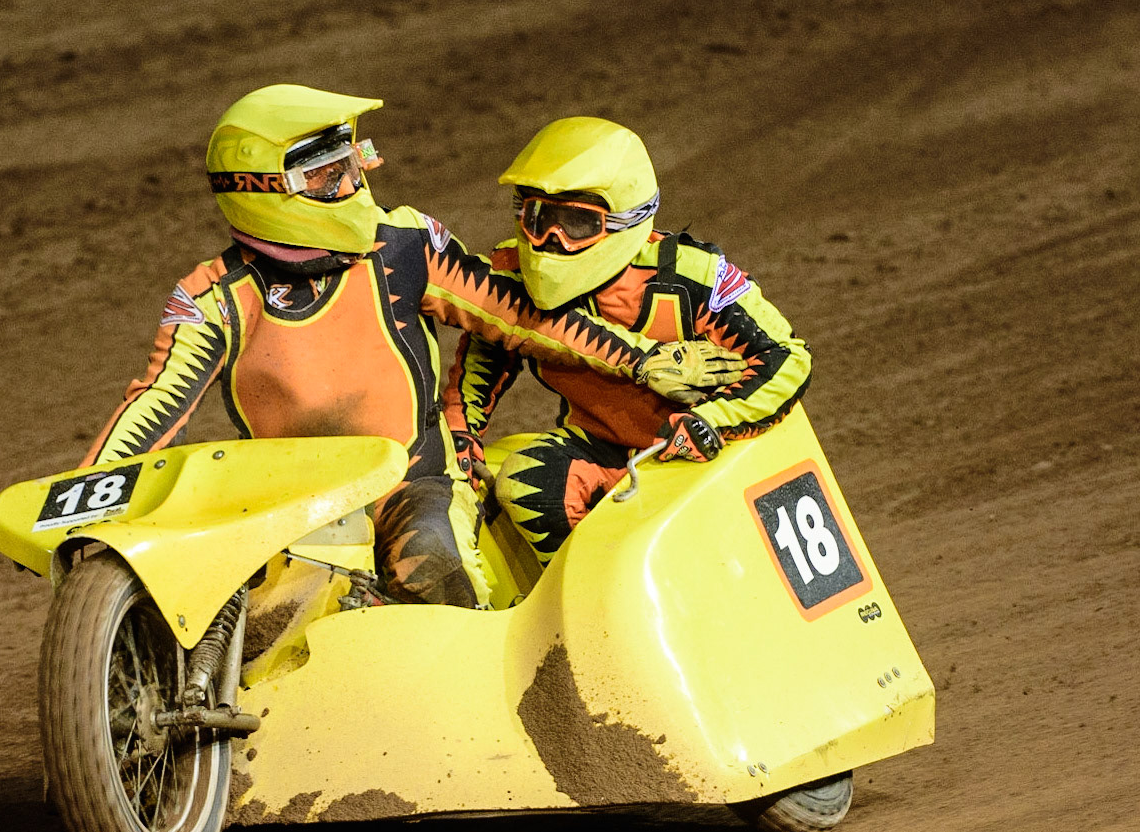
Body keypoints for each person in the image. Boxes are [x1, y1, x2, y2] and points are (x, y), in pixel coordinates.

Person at [81, 86, 739, 608]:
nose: (353, 185)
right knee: (234, 609)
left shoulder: (402, 244)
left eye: (351, 164)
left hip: (413, 478)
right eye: (327, 175)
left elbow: (517, 315)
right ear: (264, 192)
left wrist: (641, 358)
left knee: (437, 571)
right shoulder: (216, 295)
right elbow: (158, 402)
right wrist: (87, 507)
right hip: (289, 501)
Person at [442, 116, 812, 566]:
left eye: (575, 224)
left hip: (708, 451)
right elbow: (476, 372)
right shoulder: (511, 280)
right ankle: (586, 607)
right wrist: (459, 441)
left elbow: (787, 356)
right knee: (525, 483)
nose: (550, 241)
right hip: (599, 447)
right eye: (538, 218)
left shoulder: (689, 275)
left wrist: (714, 420)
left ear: (626, 219)